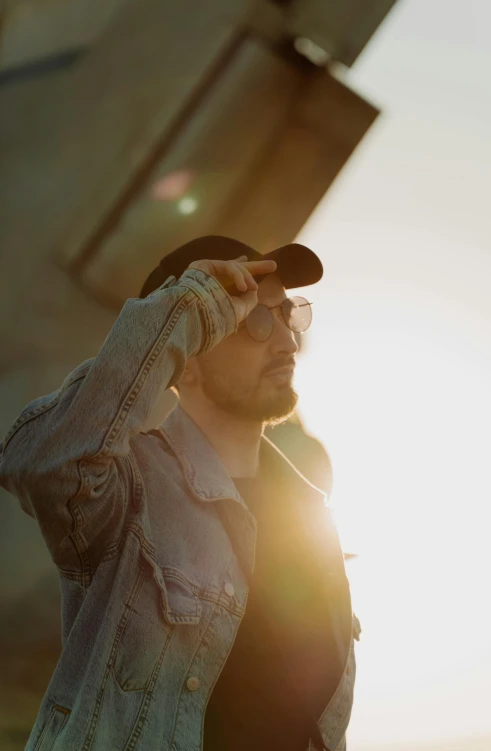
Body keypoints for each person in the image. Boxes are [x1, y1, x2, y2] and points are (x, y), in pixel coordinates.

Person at [0, 235, 357, 751]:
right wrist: (190, 308)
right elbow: (43, 462)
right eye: (255, 321)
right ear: (187, 359)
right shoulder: (128, 490)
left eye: (286, 314)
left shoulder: (314, 517)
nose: (286, 342)